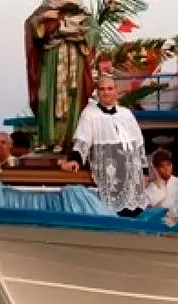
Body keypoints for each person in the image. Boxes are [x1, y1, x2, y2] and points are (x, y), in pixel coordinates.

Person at [24, 0, 94, 150]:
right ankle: (49, 139)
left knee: (70, 97)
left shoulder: (78, 6)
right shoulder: (44, 9)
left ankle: (67, 140)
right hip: (50, 56)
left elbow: (93, 31)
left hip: (72, 58)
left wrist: (76, 32)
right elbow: (32, 29)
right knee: (47, 97)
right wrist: (43, 19)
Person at [61, 75, 147, 215]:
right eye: (102, 89)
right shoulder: (89, 114)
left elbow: (139, 144)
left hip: (133, 179)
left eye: (109, 88)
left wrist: (144, 171)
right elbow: (82, 140)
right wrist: (74, 160)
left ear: (116, 91)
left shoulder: (126, 114)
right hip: (110, 178)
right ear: (97, 92)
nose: (106, 92)